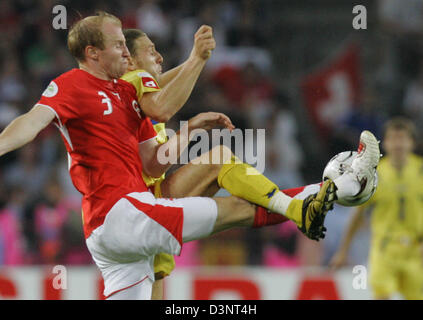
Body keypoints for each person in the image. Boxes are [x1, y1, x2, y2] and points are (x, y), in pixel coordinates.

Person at [0, 12, 375, 300]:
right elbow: (32, 121)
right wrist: (198, 57)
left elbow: (151, 158)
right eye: (119, 46)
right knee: (240, 208)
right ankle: (339, 186)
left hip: (117, 229)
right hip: (122, 212)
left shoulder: (122, 96)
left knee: (227, 175)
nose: (125, 53)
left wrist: (191, 127)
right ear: (92, 53)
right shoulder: (72, 84)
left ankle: (330, 191)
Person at [120, 28, 382, 299]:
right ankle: (339, 187)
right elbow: (159, 126)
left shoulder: (130, 94)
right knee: (236, 192)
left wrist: (193, 61)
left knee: (238, 196)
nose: (160, 57)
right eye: (151, 51)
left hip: (147, 203)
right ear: (129, 60)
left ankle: (322, 195)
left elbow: (160, 86)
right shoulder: (133, 83)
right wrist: (196, 62)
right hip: (144, 207)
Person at [330, 117, 423, 300]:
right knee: (382, 296)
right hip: (384, 248)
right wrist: (343, 250)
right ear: (385, 144)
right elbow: (357, 215)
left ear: (412, 142)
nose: (398, 144)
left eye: (403, 138)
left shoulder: (420, 171)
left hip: (416, 249)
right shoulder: (373, 175)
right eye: (393, 139)